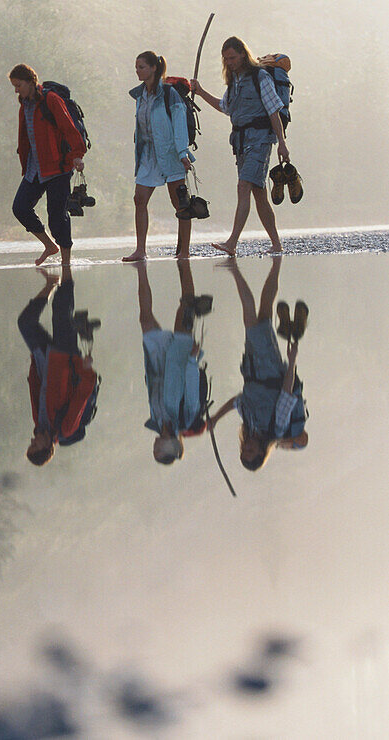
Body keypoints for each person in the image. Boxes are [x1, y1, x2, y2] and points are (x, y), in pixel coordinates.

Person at [190, 36, 289, 256]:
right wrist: (200, 91)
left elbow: (273, 111)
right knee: (258, 193)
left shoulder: (260, 77)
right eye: (226, 59)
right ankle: (276, 243)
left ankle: (232, 243)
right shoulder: (234, 81)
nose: (230, 62)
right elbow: (225, 107)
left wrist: (282, 143)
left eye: (233, 57)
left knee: (243, 186)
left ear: (243, 54)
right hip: (241, 143)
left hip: (261, 140)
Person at [208, 257, 309, 471]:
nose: (247, 447)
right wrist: (292, 362)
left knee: (264, 313)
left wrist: (216, 417)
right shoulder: (277, 428)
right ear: (262, 452)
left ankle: (276, 263)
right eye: (251, 451)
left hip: (252, 368)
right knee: (250, 320)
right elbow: (287, 393)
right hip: (268, 368)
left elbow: (238, 401)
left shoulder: (250, 425)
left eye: (243, 450)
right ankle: (234, 270)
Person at [17, 267, 100, 466]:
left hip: (44, 360)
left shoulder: (39, 424)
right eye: (35, 445)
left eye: (31, 444)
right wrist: (87, 369)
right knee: (61, 313)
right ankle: (66, 266)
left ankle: (52, 283)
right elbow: (82, 395)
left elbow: (38, 390)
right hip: (65, 360)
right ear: (46, 448)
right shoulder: (65, 428)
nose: (32, 440)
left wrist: (33, 366)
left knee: (26, 323)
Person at [9, 64, 86, 267]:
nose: (16, 90)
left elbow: (69, 128)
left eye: (18, 85)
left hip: (58, 167)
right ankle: (49, 246)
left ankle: (66, 262)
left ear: (30, 81)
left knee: (57, 216)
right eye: (14, 87)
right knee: (20, 208)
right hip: (35, 168)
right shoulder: (24, 105)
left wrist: (77, 155)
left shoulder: (51, 100)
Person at [135, 258, 209, 465]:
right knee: (185, 307)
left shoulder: (156, 422)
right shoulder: (185, 418)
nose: (155, 448)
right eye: (158, 451)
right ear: (171, 448)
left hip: (157, 364)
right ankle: (184, 263)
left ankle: (141, 270)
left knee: (145, 319)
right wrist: (193, 360)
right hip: (180, 358)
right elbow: (192, 388)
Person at [122, 51, 194, 262]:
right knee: (139, 199)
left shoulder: (169, 94)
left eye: (141, 67)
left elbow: (179, 124)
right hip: (148, 153)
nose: (138, 70)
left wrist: (182, 152)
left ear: (154, 68)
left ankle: (184, 251)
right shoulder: (140, 94)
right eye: (136, 67)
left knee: (180, 202)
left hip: (171, 152)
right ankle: (140, 250)